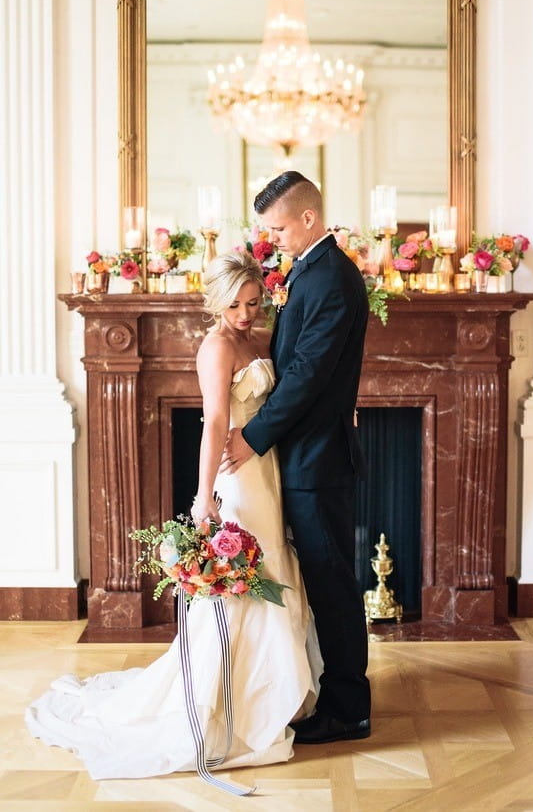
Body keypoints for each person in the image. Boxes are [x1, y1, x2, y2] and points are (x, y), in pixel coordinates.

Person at [25, 250, 321, 780]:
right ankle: (226, 705)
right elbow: (213, 426)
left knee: (276, 570)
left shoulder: (260, 337)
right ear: (216, 303)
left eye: (253, 303)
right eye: (235, 305)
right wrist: (204, 494)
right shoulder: (216, 347)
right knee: (245, 583)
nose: (246, 314)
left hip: (269, 466)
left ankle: (274, 697)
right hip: (237, 476)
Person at [221, 171, 371, 744]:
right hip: (305, 456)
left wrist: (253, 436)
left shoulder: (331, 276)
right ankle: (326, 696)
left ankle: (348, 710)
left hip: (319, 461)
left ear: (309, 218)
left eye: (278, 227)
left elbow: (307, 375)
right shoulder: (311, 271)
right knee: (322, 581)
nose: (273, 238)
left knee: (333, 585)